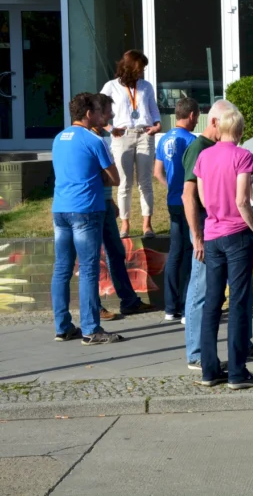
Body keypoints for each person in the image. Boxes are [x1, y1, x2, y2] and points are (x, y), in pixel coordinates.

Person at [193, 107, 253, 389]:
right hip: (237, 233)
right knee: (238, 301)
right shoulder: (243, 156)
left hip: (212, 233)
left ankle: (209, 369)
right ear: (240, 130)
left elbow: (201, 196)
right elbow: (242, 200)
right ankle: (237, 371)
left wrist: (213, 217)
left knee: (212, 302)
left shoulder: (203, 156)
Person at [51, 93, 124, 345]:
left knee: (62, 268)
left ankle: (62, 327)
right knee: (89, 269)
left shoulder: (58, 138)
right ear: (88, 113)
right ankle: (91, 329)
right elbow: (115, 178)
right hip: (86, 210)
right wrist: (99, 176)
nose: (100, 116)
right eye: (96, 111)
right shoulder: (94, 140)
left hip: (60, 209)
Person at [89, 93, 156, 321]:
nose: (113, 115)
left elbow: (105, 177)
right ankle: (96, 308)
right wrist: (109, 187)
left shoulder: (100, 137)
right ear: (96, 114)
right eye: (108, 111)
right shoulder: (92, 139)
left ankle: (129, 301)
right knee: (92, 259)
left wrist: (111, 201)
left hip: (104, 203)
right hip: (91, 207)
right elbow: (109, 176)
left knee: (116, 253)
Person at [181, 99, 234, 369]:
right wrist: (197, 235)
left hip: (211, 223)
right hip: (202, 224)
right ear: (214, 122)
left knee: (210, 289)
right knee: (200, 289)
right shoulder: (199, 148)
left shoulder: (211, 147)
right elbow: (188, 196)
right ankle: (196, 353)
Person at [101, 50, 161, 238]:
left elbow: (153, 110)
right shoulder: (111, 86)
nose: (142, 72)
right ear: (129, 67)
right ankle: (125, 225)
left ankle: (147, 225)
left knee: (145, 182)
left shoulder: (147, 87)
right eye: (140, 68)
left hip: (144, 134)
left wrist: (157, 125)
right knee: (124, 182)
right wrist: (109, 128)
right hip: (122, 136)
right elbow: (96, 109)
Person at [154, 97, 199, 322]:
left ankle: (170, 307)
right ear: (191, 116)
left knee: (175, 252)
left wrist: (171, 187)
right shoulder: (192, 140)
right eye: (198, 116)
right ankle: (185, 305)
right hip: (189, 202)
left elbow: (157, 171)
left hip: (173, 201)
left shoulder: (163, 140)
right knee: (191, 252)